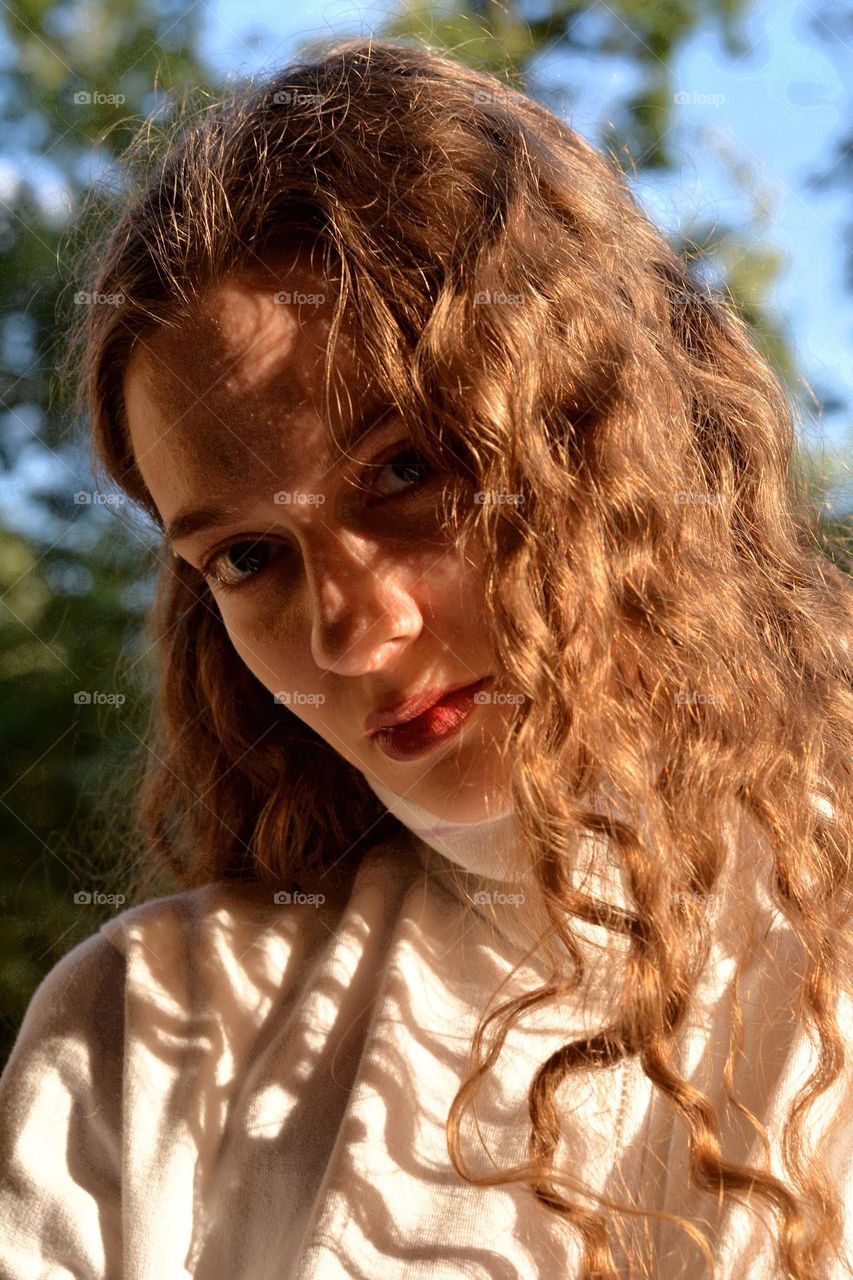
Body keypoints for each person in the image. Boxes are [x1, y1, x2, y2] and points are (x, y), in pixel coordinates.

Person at [1, 35, 852, 1280]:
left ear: (603, 435)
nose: (349, 629)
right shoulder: (151, 1034)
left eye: (405, 471)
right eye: (245, 556)